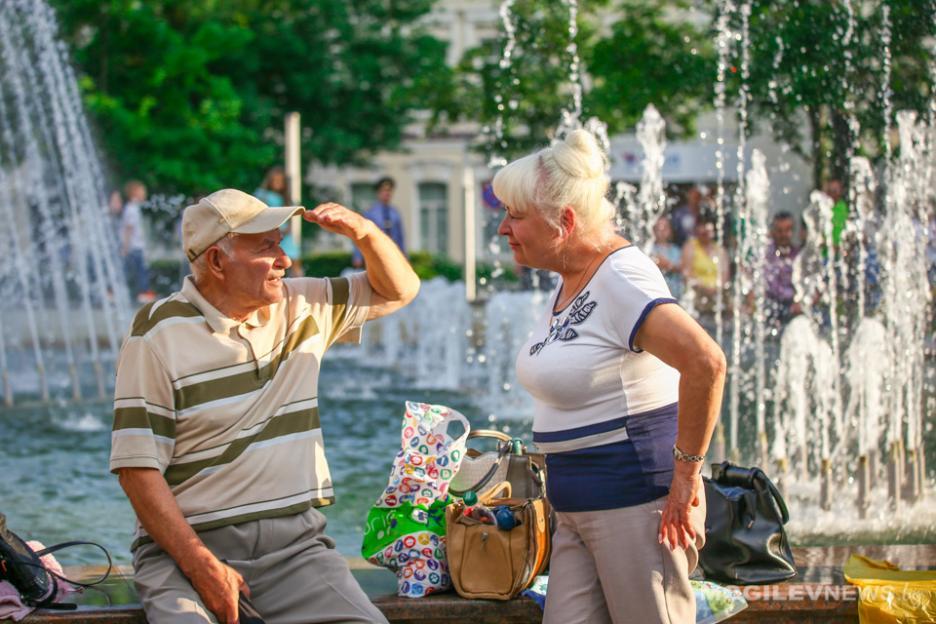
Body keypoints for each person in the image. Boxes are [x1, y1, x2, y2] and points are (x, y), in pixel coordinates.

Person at [109, 188, 419, 624]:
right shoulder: (156, 334)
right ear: (217, 261)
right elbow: (136, 471)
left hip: (296, 553)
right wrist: (201, 565)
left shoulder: (302, 302)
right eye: (267, 246)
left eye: (281, 243)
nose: (285, 259)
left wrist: (365, 233)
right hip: (182, 555)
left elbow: (400, 290)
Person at [494, 130, 726, 624]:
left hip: (637, 508)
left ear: (565, 221)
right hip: (577, 511)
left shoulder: (621, 277)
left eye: (515, 216)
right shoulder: (574, 278)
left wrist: (686, 476)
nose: (502, 229)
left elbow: (706, 363)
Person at [254, 166, 303, 277]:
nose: (278, 183)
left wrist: (287, 229)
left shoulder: (285, 198)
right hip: (270, 232)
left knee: (294, 259)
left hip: (285, 234)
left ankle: (298, 284)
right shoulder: (263, 195)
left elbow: (290, 218)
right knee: (271, 261)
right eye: (275, 180)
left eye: (280, 181)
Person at [681, 214, 730, 317]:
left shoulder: (720, 250)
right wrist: (703, 288)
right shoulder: (690, 246)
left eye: (708, 231)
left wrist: (715, 288)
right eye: (702, 231)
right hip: (697, 293)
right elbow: (687, 273)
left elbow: (725, 276)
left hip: (717, 294)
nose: (705, 233)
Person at [352, 177, 405, 268]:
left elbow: (400, 237)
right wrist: (357, 256)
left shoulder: (395, 213)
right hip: (376, 254)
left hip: (393, 255)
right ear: (378, 192)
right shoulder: (370, 213)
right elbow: (361, 235)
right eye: (384, 190)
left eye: (389, 190)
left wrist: (404, 257)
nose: (387, 193)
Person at [120, 180, 155, 303]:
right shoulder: (131, 209)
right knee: (139, 270)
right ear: (134, 193)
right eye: (142, 192)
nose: (144, 194)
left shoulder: (133, 208)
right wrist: (125, 247)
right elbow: (128, 229)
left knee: (135, 270)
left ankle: (142, 291)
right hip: (134, 247)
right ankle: (143, 292)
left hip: (136, 246)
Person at [764, 212, 801, 329]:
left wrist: (801, 303)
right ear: (773, 231)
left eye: (787, 230)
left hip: (792, 309)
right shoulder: (765, 256)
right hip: (769, 307)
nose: (783, 234)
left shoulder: (799, 257)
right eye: (779, 231)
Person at [649, 215, 683, 300]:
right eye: (658, 228)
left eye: (665, 228)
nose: (661, 230)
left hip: (674, 293)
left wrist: (668, 265)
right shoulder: (649, 249)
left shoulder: (676, 250)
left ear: (670, 230)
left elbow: (682, 269)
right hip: (655, 293)